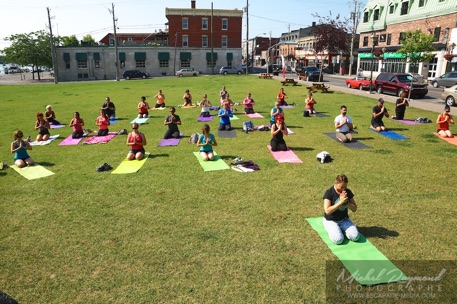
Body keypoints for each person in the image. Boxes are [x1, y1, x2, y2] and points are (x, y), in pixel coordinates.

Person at [323, 174, 359, 245]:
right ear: (335, 183)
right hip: (331, 220)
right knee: (338, 240)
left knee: (355, 237)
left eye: (345, 186)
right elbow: (327, 211)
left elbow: (354, 209)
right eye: (341, 187)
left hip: (344, 219)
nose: (343, 189)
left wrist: (346, 203)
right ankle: (330, 227)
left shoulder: (347, 192)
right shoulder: (329, 192)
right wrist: (340, 202)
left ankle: (343, 230)